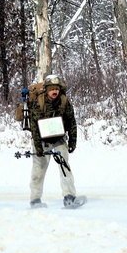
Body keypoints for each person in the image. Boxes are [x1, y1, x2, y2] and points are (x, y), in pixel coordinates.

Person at [27, 74, 79, 208]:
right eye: (52, 89)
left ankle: (69, 196)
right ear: (46, 89)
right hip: (42, 140)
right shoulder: (39, 102)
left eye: (56, 89)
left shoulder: (64, 101)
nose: (54, 92)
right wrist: (38, 147)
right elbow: (34, 126)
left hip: (59, 139)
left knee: (64, 167)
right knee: (38, 171)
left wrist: (73, 142)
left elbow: (71, 122)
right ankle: (35, 199)